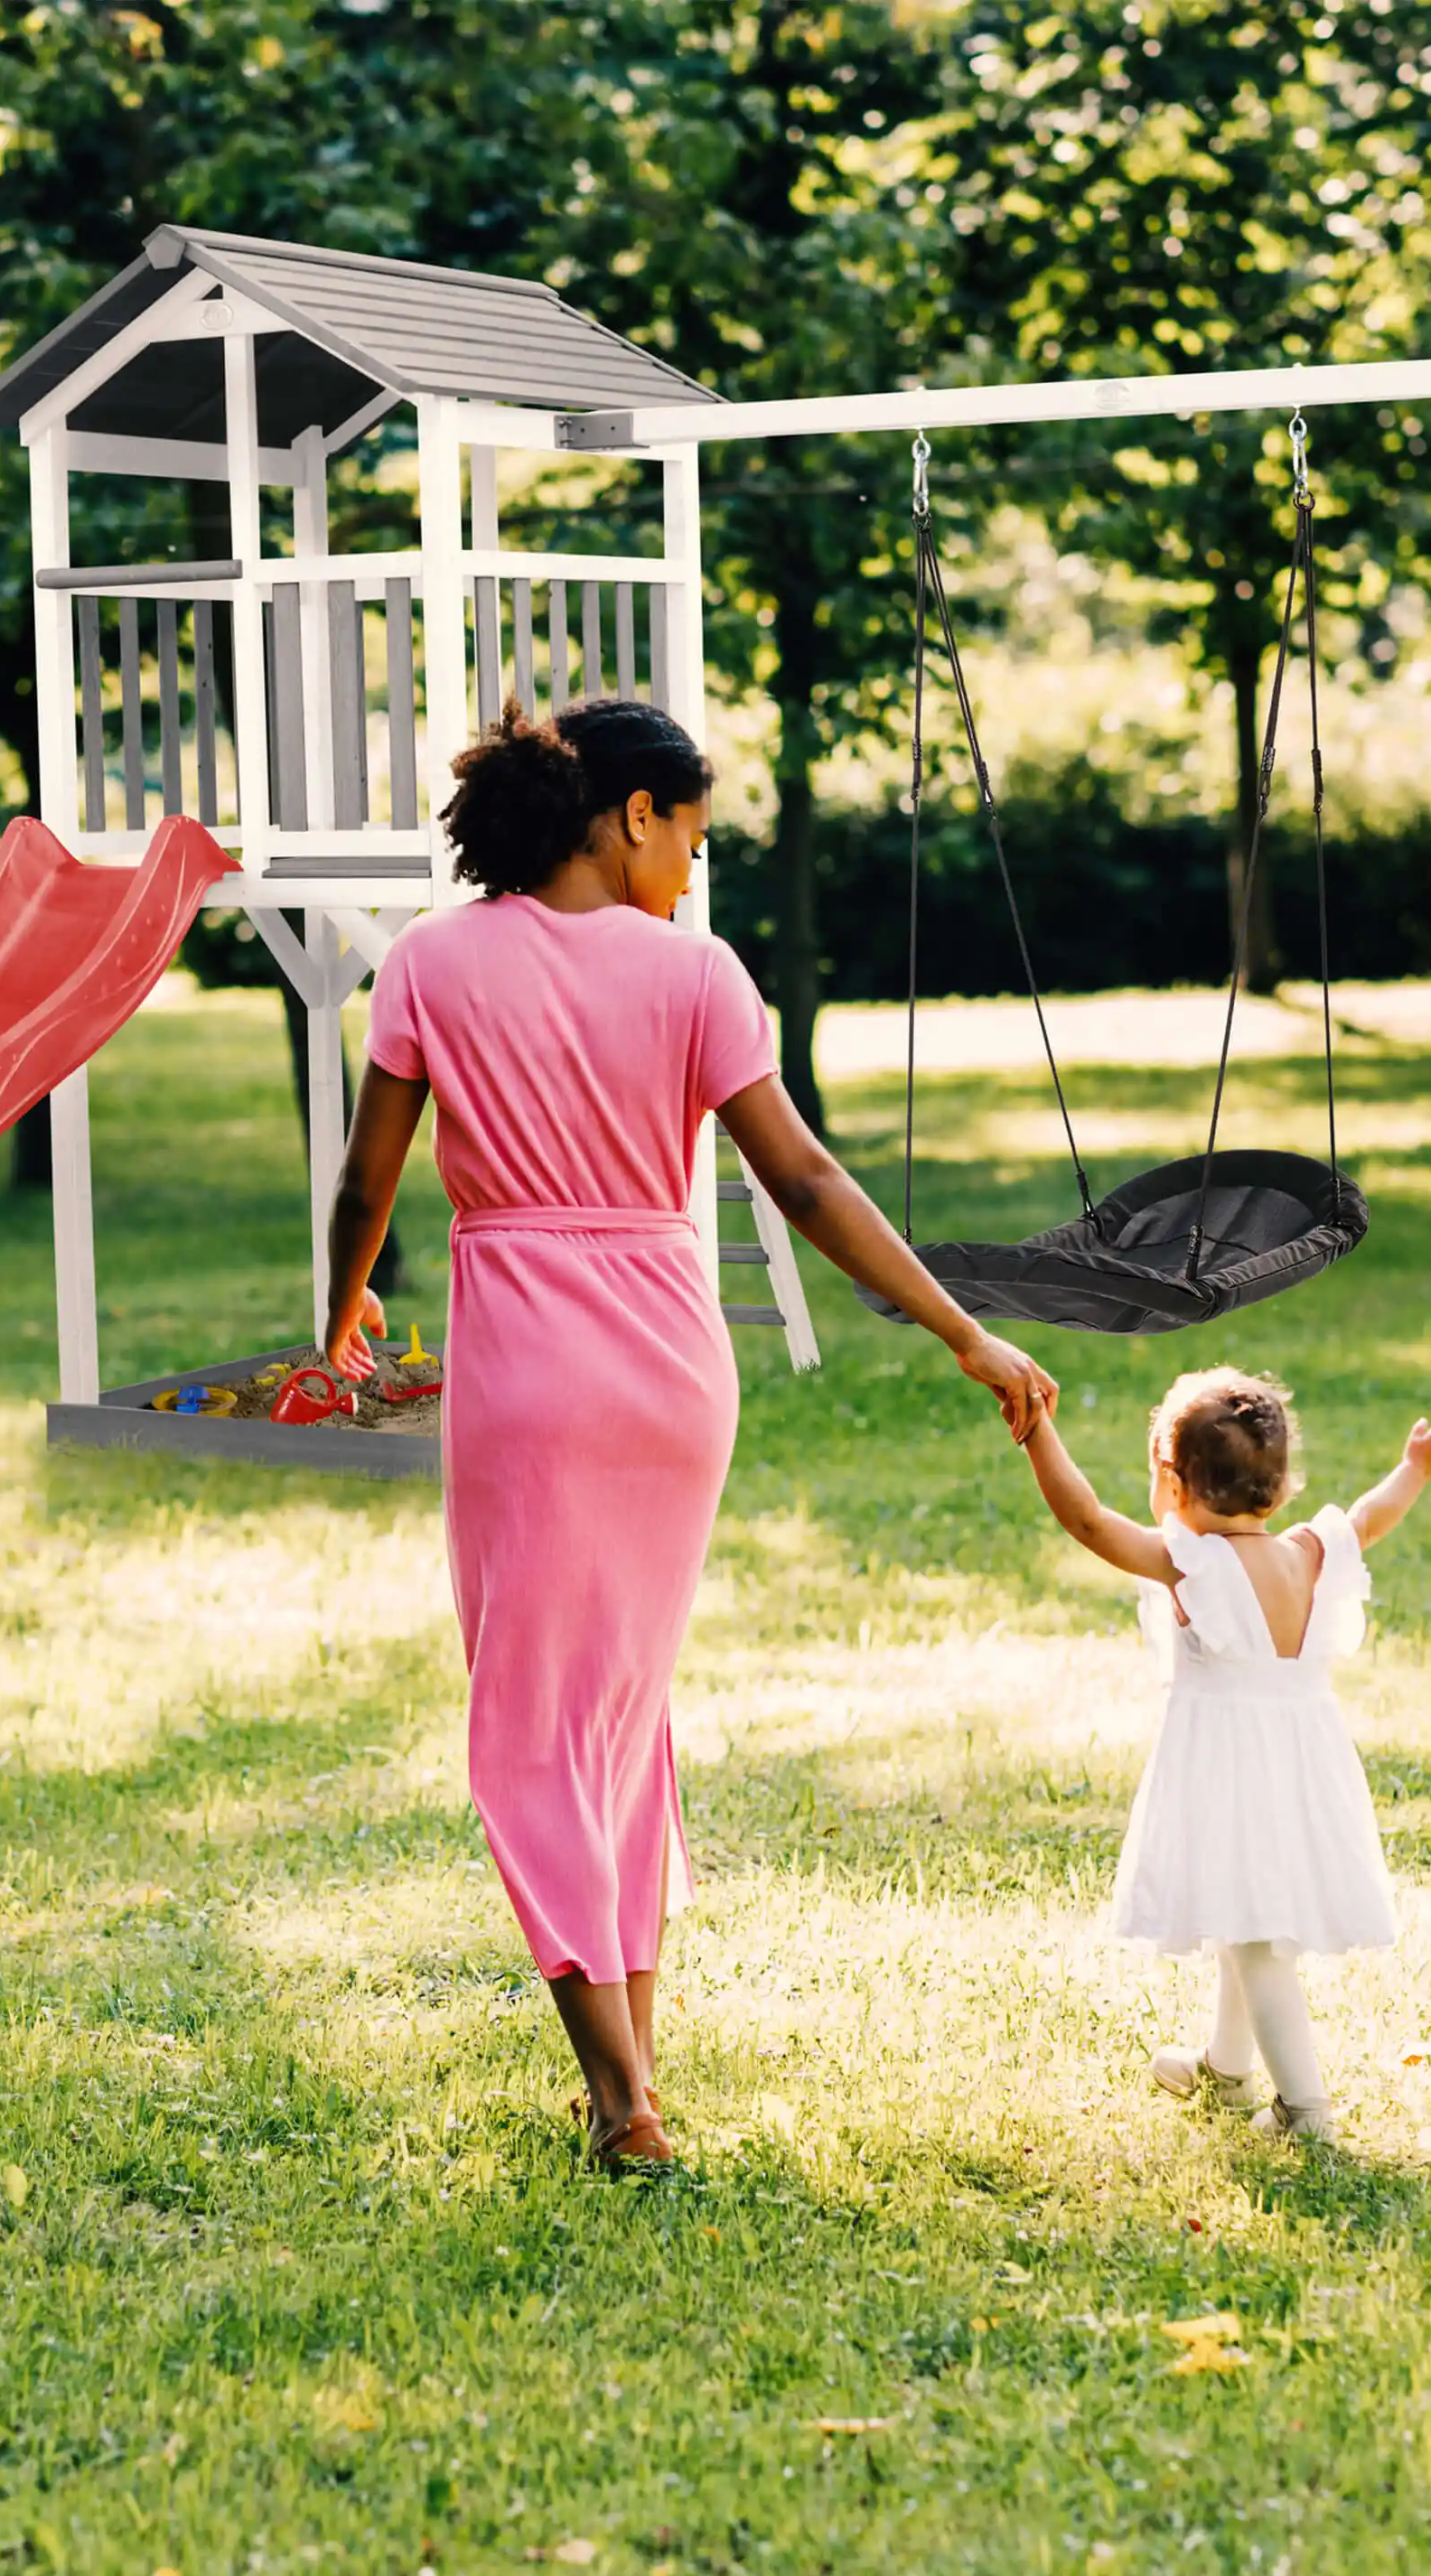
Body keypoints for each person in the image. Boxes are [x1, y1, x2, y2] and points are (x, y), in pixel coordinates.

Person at [321, 696, 1058, 2174]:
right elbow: (805, 1182)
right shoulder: (697, 976)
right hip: (670, 1369)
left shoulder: (431, 963)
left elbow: (368, 1181)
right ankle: (634, 2072)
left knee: (534, 1730)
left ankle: (618, 2100)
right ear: (630, 814)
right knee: (619, 1718)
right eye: (692, 840)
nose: (693, 873)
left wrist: (337, 1316)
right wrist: (961, 1327)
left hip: (527, 1370)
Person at [1015, 1367, 1431, 2142]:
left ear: (1174, 1483)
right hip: (1301, 1767)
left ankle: (1304, 2110)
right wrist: (1415, 1468)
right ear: (1281, 1487)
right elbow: (1370, 1515)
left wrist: (1036, 1431)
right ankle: (1226, 2069)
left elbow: (1086, 1520)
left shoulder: (1193, 1565)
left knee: (1256, 1942)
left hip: (1230, 1771)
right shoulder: (1311, 1552)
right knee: (1242, 1913)